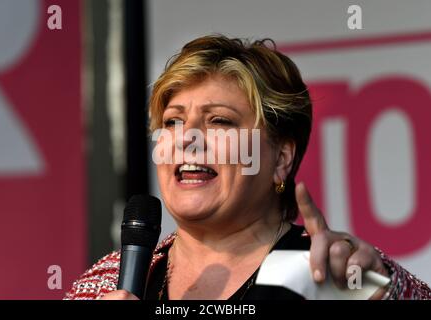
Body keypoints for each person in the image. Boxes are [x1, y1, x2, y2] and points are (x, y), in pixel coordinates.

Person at [65, 34, 430, 300]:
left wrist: (384, 290)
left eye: (220, 121)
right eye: (173, 122)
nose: (187, 139)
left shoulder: (335, 275)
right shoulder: (105, 283)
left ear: (281, 159)